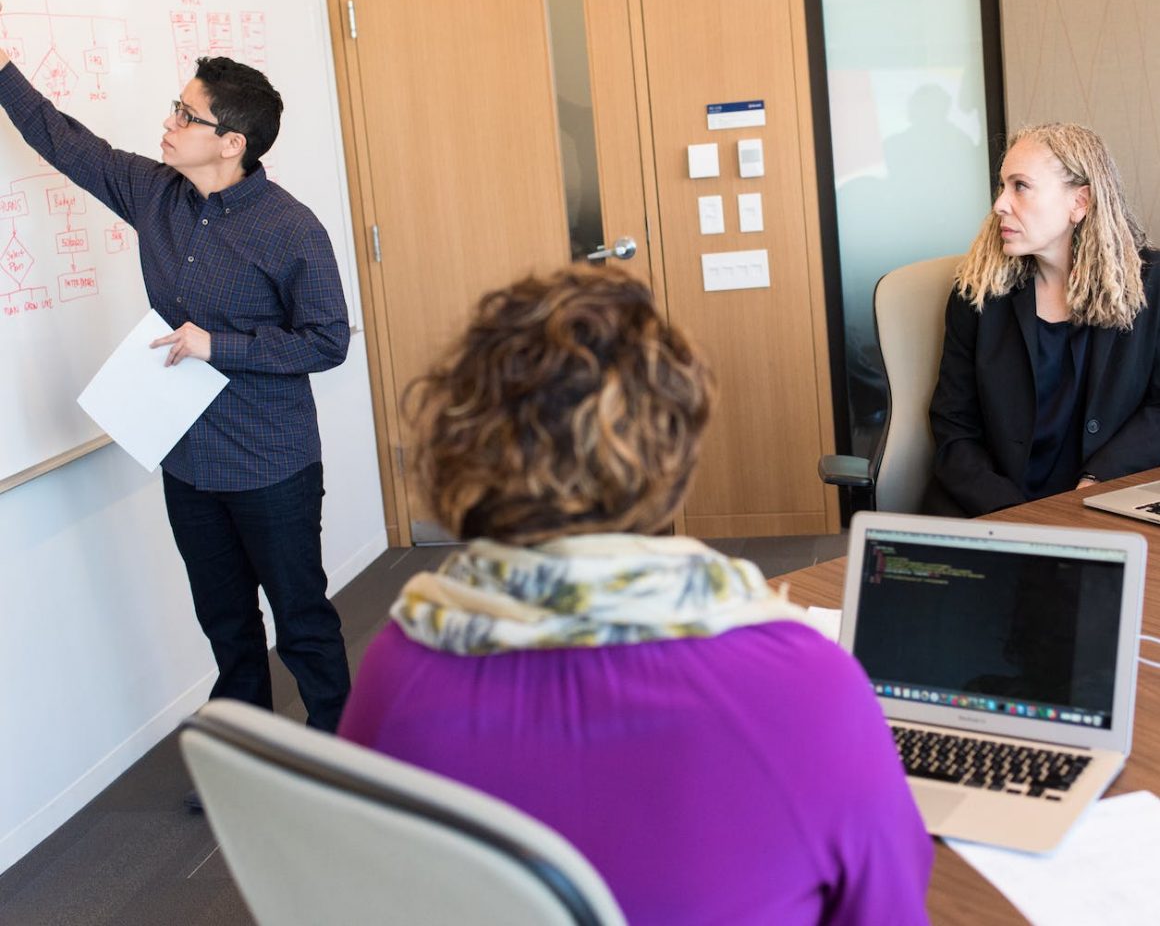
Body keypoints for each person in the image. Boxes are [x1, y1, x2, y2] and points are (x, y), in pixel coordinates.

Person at [339, 265, 931, 926]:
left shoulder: (400, 666)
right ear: (672, 446)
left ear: (461, 442)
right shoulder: (807, 685)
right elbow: (889, 909)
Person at [0, 51, 352, 753]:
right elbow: (69, 143)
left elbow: (327, 341)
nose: (169, 122)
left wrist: (220, 345)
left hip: (272, 464)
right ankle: (249, 756)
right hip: (190, 461)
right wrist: (5, 67)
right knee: (226, 621)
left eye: (186, 115)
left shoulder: (292, 229)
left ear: (231, 144)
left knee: (301, 619)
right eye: (175, 106)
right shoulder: (154, 192)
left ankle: (343, 757)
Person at [926, 122, 1160, 517]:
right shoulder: (978, 294)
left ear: (1080, 203)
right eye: (1002, 186)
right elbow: (954, 428)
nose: (1000, 204)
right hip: (991, 511)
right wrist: (1019, 517)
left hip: (1105, 504)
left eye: (1020, 186)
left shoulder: (1151, 286)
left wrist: (1094, 483)